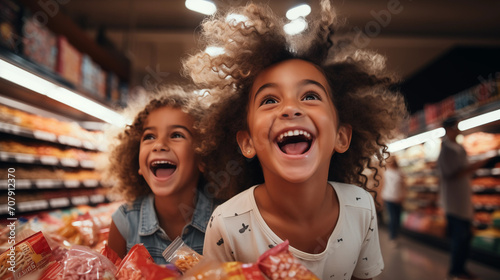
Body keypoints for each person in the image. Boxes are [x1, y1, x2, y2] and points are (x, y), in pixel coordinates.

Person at [182, 1, 407, 278]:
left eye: (310, 96)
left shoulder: (360, 207)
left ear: (341, 136)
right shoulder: (227, 223)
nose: (290, 108)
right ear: (247, 142)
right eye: (269, 100)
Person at [105, 86, 217, 264]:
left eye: (176, 135)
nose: (159, 145)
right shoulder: (125, 222)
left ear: (203, 157)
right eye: (149, 136)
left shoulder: (222, 219)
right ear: (138, 162)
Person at [437, 117, 491, 280]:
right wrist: (475, 165)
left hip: (462, 200)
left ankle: (461, 269)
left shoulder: (457, 147)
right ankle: (455, 271)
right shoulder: (446, 149)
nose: (458, 130)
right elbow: (451, 174)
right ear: (448, 129)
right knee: (459, 238)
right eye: (455, 127)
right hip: (454, 203)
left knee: (465, 237)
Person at [381, 156, 405, 246]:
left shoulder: (400, 172)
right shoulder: (386, 172)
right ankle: (393, 236)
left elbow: (403, 185)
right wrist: (381, 196)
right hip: (389, 197)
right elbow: (383, 184)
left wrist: (403, 195)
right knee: (392, 217)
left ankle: (396, 234)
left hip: (398, 198)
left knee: (398, 218)